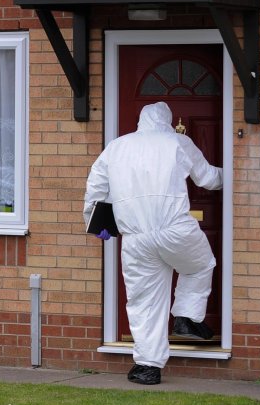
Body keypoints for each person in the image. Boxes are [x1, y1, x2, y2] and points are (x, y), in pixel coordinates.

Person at [83, 101, 222, 385]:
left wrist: (95, 223)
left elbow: (95, 188)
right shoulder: (177, 141)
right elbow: (207, 178)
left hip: (135, 239)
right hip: (174, 229)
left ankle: (147, 367)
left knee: (144, 301)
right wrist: (233, 172)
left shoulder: (116, 147)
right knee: (200, 264)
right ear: (167, 121)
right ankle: (185, 316)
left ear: (141, 120)